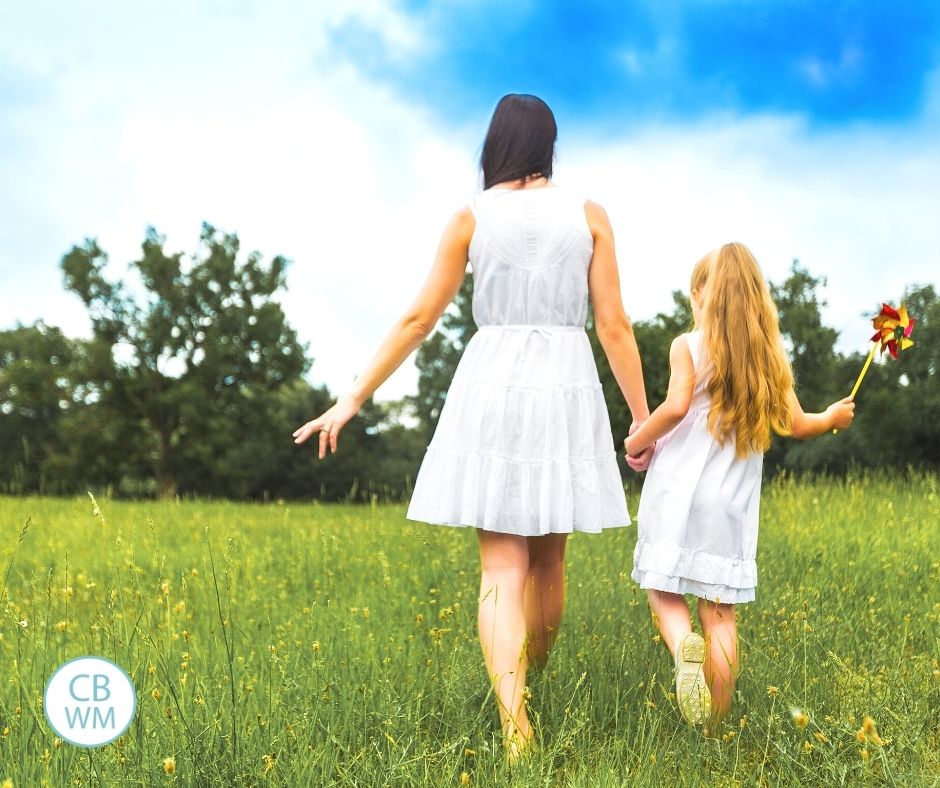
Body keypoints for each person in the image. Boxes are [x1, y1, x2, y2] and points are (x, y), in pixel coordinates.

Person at [293, 94, 651, 761]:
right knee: (549, 561)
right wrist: (641, 419)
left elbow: (416, 320)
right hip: (565, 385)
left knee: (501, 565)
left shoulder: (470, 217)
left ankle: (515, 721)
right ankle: (527, 692)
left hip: (492, 383)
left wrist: (351, 400)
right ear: (548, 146)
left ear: (495, 145)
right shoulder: (590, 216)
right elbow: (614, 326)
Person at [624, 242, 855, 732]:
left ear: (703, 294)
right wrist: (832, 417)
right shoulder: (768, 355)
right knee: (722, 614)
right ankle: (714, 726)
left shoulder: (687, 345)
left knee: (663, 588)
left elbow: (675, 407)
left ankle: (682, 645)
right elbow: (796, 423)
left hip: (677, 489)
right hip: (730, 502)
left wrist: (637, 439)